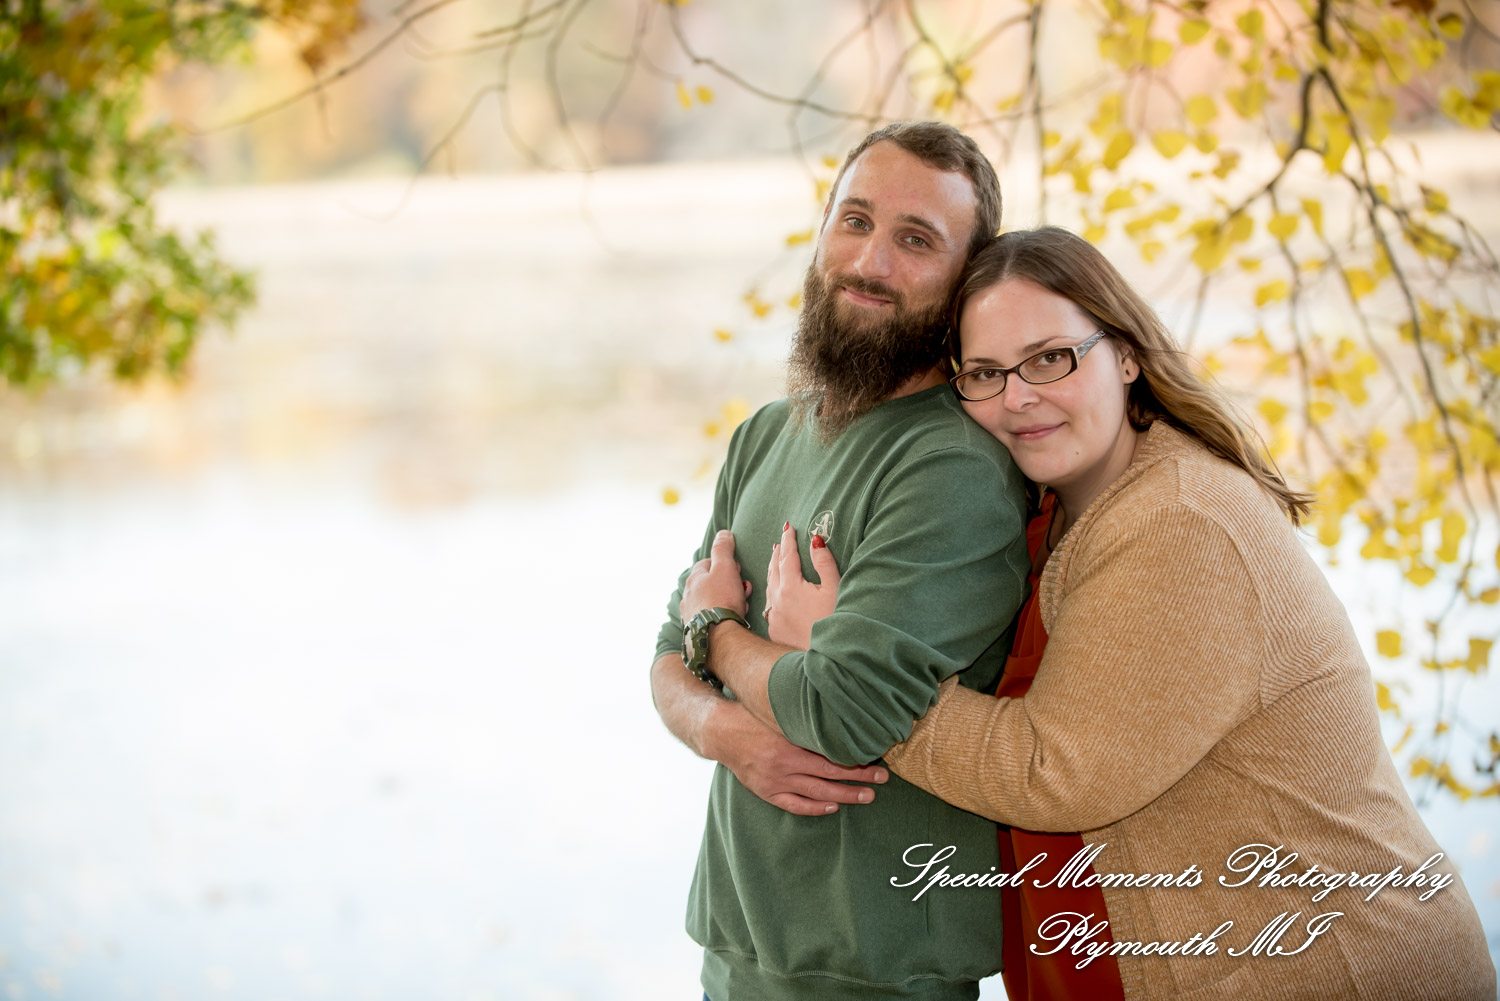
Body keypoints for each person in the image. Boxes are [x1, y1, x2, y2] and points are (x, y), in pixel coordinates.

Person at [711, 226, 1496, 1000]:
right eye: (985, 372)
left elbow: (1052, 773)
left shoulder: (1181, 521)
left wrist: (841, 668)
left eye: (1050, 358)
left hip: (1333, 966)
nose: (1019, 395)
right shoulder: (1060, 512)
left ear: (1125, 354)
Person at [650, 122, 1031, 1001]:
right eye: (854, 220)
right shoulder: (765, 434)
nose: (870, 260)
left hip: (877, 966)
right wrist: (725, 734)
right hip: (735, 947)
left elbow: (843, 711)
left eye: (916, 240)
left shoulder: (952, 469)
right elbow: (666, 659)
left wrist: (720, 634)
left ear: (966, 280)